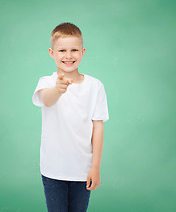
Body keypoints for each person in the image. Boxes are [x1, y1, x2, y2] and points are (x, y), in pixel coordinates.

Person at [32, 22, 109, 212]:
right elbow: (47, 100)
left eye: (74, 50)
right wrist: (58, 89)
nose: (68, 56)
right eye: (62, 50)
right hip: (53, 168)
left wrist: (95, 167)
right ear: (52, 53)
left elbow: (98, 127)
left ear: (83, 52)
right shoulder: (47, 82)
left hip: (83, 170)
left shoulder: (95, 86)